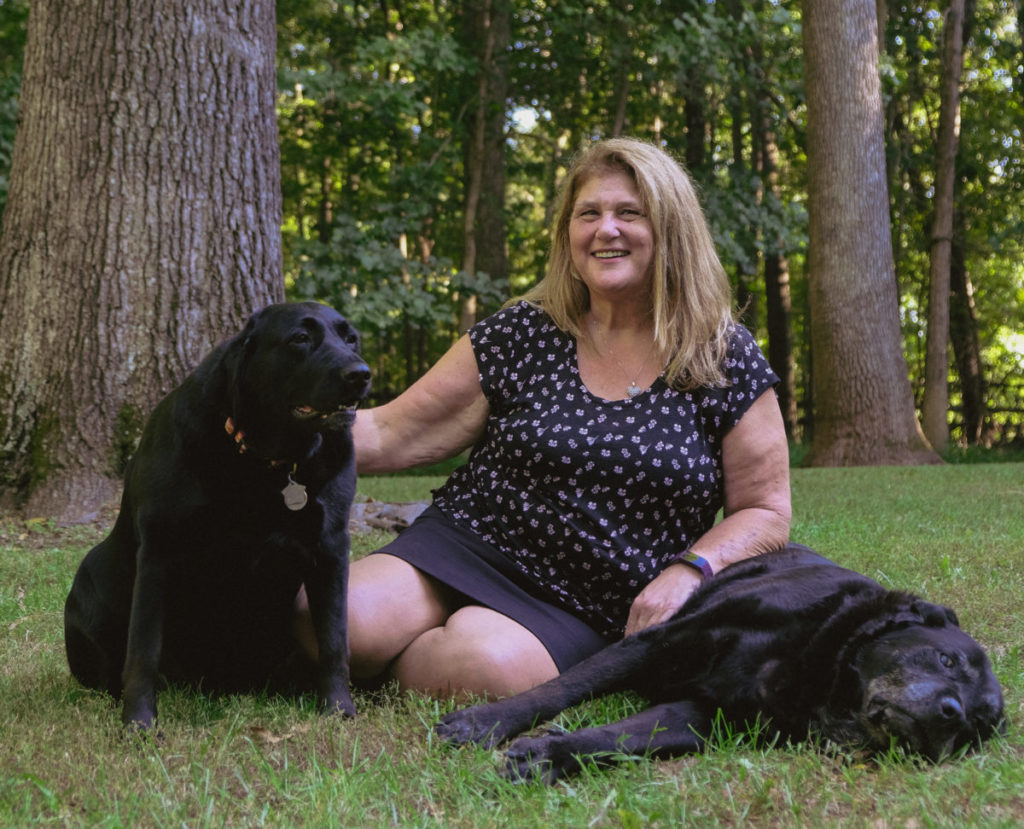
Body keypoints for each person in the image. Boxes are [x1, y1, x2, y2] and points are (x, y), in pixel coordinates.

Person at [296, 137, 791, 701]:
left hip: (594, 596)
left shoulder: (720, 354)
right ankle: (374, 650)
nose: (607, 229)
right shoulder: (523, 333)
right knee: (324, 616)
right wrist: (265, 426)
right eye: (589, 214)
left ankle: (383, 665)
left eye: (630, 213)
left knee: (477, 666)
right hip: (469, 543)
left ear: (670, 229)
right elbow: (390, 430)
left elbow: (765, 510)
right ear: (568, 234)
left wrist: (691, 569)